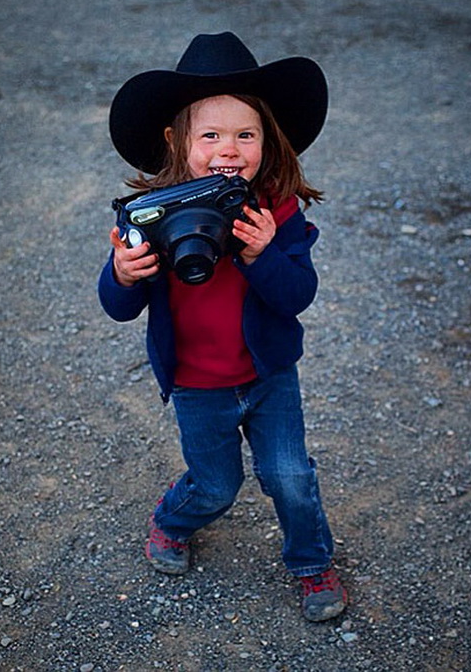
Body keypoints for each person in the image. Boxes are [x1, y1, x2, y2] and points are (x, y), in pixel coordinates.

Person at [98, 31, 348, 622]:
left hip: (268, 376)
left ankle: (312, 564)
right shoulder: (153, 216)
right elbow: (117, 306)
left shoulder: (275, 210)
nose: (228, 149)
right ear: (175, 140)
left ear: (268, 139)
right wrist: (123, 273)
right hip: (197, 385)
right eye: (209, 135)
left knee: (289, 475)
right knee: (216, 486)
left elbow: (297, 298)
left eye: (245, 134)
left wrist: (266, 255)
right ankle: (171, 521)